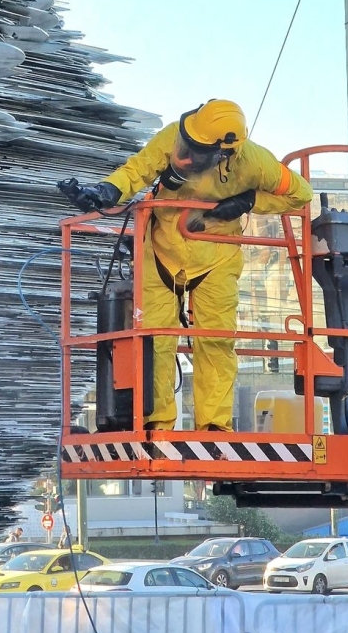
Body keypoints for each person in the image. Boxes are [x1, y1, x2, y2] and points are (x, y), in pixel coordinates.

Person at [58, 100, 313, 432]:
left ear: (226, 151)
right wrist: (106, 190)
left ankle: (214, 425)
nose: (187, 154)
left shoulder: (255, 162)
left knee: (216, 340)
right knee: (155, 340)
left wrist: (248, 201)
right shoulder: (173, 137)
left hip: (216, 256)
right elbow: (138, 169)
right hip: (161, 251)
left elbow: (300, 193)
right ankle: (156, 423)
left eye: (198, 150)